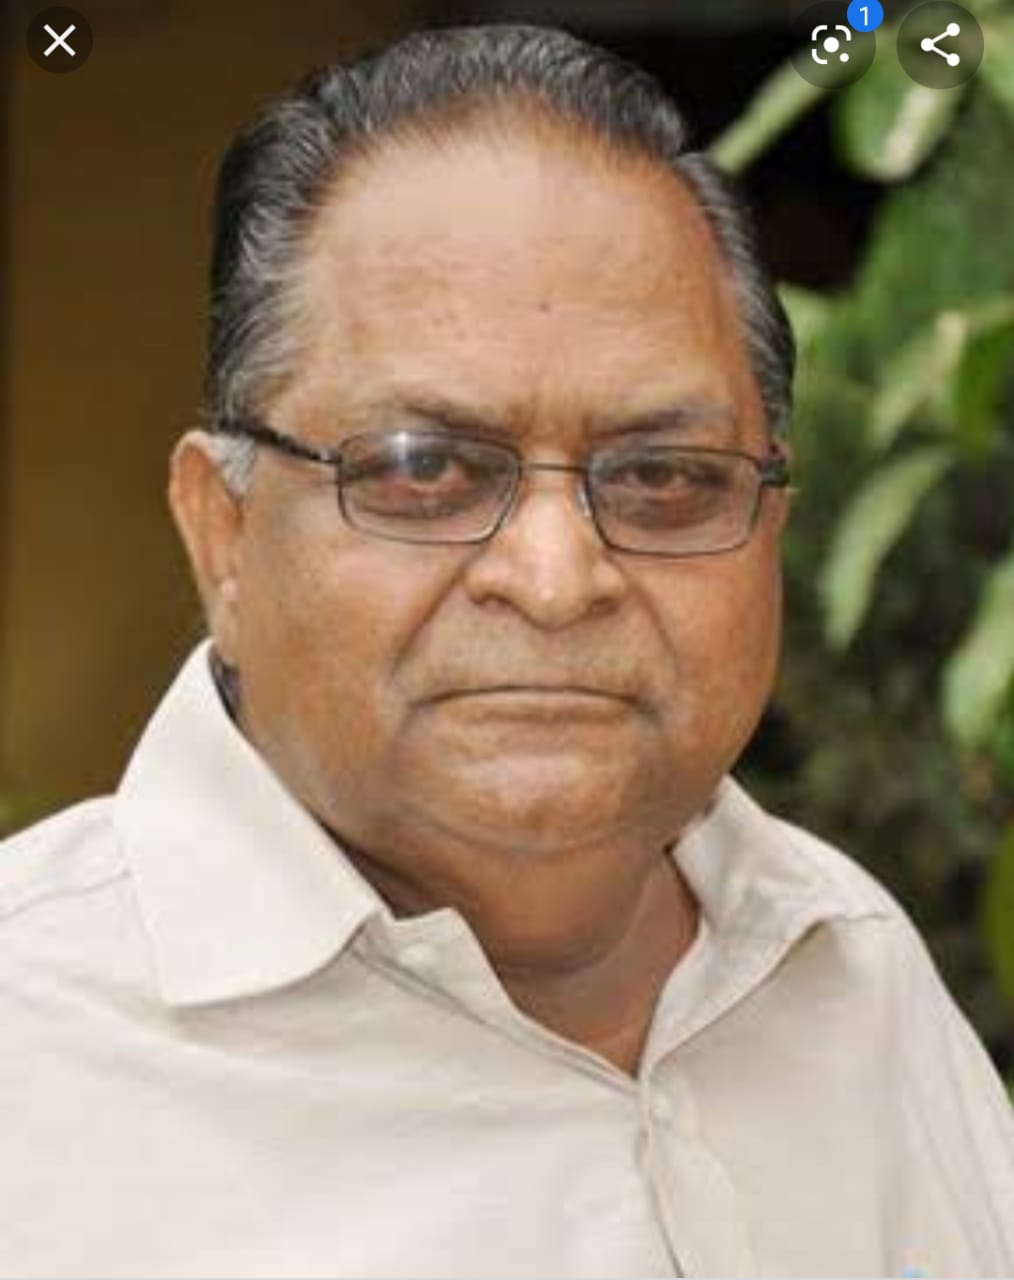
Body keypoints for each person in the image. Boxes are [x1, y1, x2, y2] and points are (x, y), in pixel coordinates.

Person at [1, 23, 1012, 1280]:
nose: (554, 578)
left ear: (769, 533)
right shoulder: (35, 1049)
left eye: (663, 476)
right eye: (423, 468)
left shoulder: (845, 963)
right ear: (225, 537)